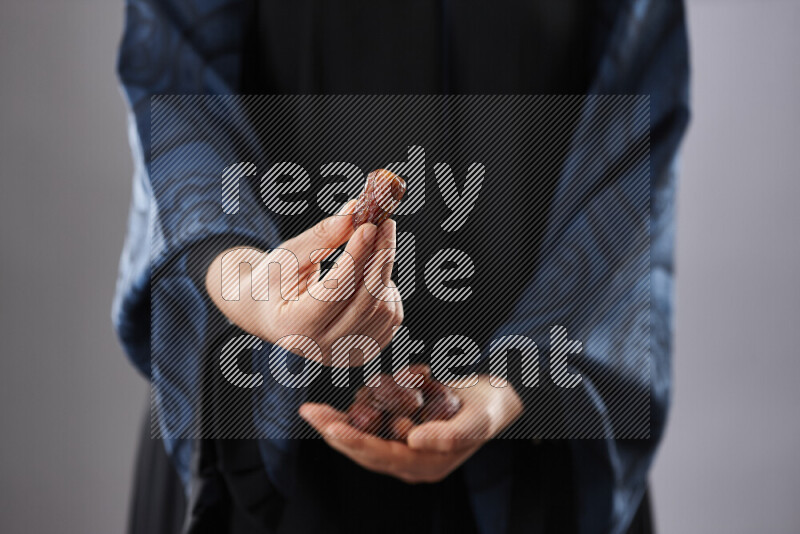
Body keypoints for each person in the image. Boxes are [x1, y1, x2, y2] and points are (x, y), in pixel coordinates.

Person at [114, 1, 690, 533]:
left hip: (529, 455)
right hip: (259, 422)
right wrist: (241, 276)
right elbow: (175, 79)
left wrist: (516, 381)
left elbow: (635, 127)